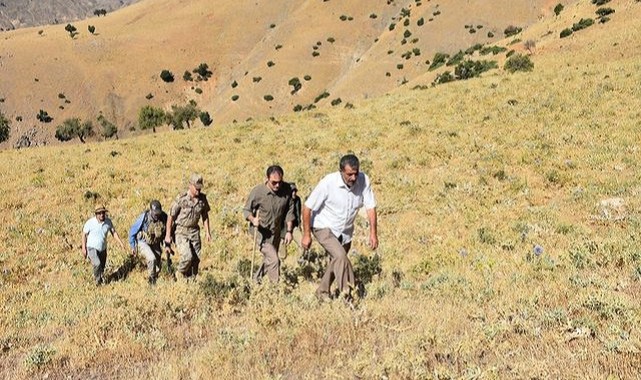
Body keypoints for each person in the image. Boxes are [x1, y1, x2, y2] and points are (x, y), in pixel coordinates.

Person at [301, 154, 378, 300]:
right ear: (341, 171)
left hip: (345, 231)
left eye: (356, 173)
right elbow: (307, 207)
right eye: (349, 174)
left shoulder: (364, 180)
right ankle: (348, 297)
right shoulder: (328, 182)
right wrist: (306, 234)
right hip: (323, 226)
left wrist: (373, 233)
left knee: (337, 260)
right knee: (341, 256)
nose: (354, 178)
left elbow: (371, 207)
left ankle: (321, 292)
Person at [243, 165, 295, 283]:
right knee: (274, 260)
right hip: (261, 233)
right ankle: (275, 290)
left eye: (279, 182)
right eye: (274, 182)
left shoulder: (286, 190)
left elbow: (289, 211)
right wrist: (253, 220)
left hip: (276, 232)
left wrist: (288, 231)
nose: (277, 185)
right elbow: (246, 210)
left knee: (270, 259)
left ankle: (256, 280)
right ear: (267, 179)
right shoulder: (258, 192)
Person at [164, 174, 211, 280]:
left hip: (194, 232)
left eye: (200, 188)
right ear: (190, 185)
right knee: (187, 256)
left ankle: (190, 281)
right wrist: (168, 235)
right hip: (181, 231)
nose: (198, 190)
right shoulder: (181, 198)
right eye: (196, 188)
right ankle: (179, 273)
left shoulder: (202, 199)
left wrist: (208, 232)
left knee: (196, 259)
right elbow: (170, 217)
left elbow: (205, 216)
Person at [82, 205, 126, 285]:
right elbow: (84, 235)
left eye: (103, 212)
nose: (102, 214)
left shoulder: (108, 222)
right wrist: (83, 248)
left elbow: (114, 233)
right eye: (99, 213)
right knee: (97, 263)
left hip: (102, 248)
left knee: (102, 266)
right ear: (96, 214)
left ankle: (100, 277)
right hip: (92, 247)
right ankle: (97, 282)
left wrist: (121, 243)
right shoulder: (90, 223)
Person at [129, 200, 169, 285]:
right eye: (155, 214)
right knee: (152, 258)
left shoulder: (164, 217)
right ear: (150, 210)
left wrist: (167, 245)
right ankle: (151, 280)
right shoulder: (144, 217)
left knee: (157, 261)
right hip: (143, 242)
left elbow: (167, 232)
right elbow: (132, 231)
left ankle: (155, 276)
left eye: (158, 214)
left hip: (156, 242)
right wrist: (133, 247)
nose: (157, 216)